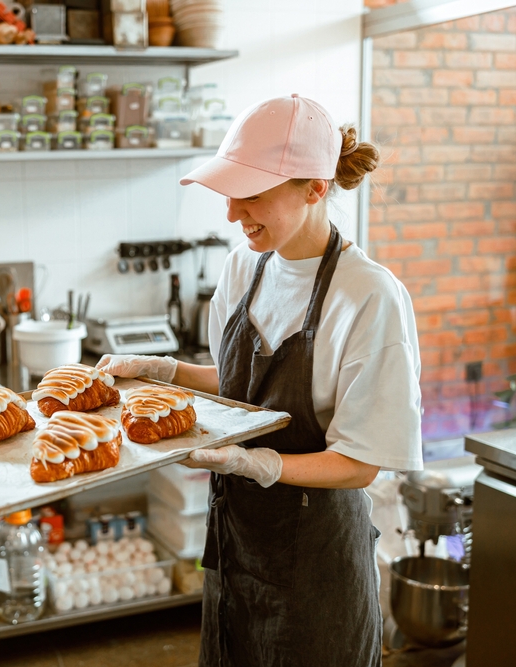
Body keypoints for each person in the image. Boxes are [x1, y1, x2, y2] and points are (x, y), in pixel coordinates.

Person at [98, 95, 423, 666]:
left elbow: (362, 461)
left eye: (250, 195)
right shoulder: (244, 267)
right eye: (229, 194)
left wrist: (256, 463)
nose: (230, 214)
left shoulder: (369, 297)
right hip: (238, 548)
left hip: (318, 567)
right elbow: (239, 386)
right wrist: (164, 372)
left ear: (315, 188)